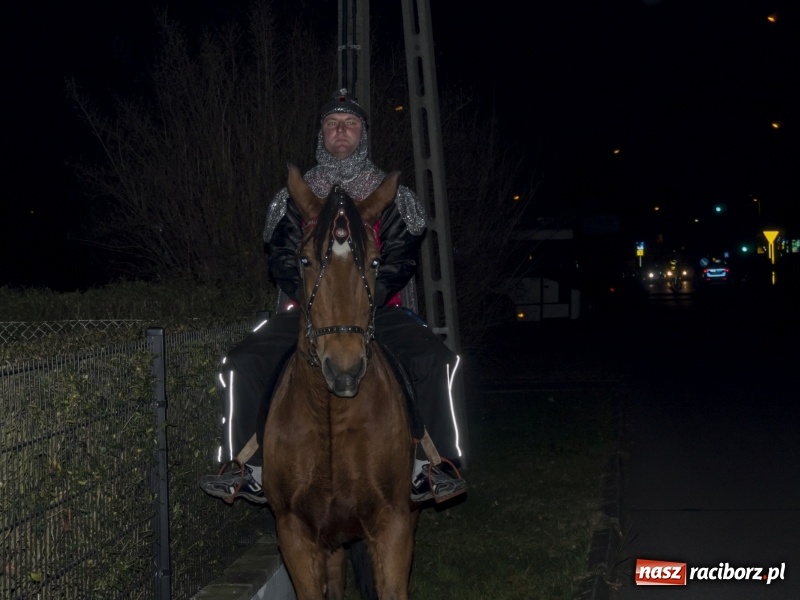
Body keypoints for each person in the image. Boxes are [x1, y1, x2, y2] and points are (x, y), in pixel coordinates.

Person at [199, 88, 466, 504]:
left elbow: (400, 259)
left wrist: (365, 298)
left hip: (379, 310)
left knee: (438, 361)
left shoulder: (394, 197)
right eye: (332, 124)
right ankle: (245, 468)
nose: (341, 131)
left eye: (350, 123)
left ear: (363, 134)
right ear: (321, 134)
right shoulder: (295, 197)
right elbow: (283, 260)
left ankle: (435, 465)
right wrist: (315, 299)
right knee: (241, 363)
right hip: (307, 311)